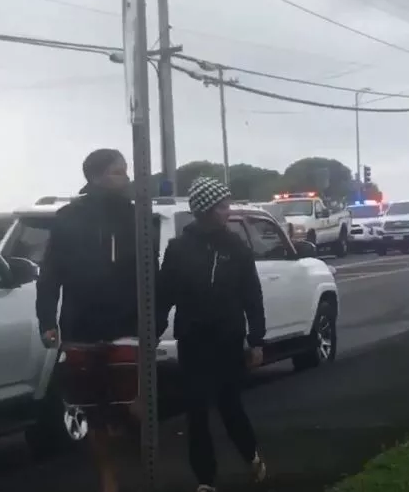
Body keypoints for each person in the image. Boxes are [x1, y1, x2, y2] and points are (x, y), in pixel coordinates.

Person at [36, 148, 162, 492]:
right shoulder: (67, 218)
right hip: (81, 327)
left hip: (128, 326)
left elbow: (152, 273)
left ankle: (146, 465)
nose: (126, 177)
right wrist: (46, 318)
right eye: (119, 172)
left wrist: (156, 322)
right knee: (92, 411)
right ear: (97, 177)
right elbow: (50, 273)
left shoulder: (138, 217)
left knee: (136, 403)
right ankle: (109, 481)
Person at [157, 176, 268, 492]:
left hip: (229, 340)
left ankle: (251, 455)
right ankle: (205, 480)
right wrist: (152, 333)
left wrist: (256, 340)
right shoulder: (178, 249)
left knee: (230, 405)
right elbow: (165, 295)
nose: (227, 211)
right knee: (196, 412)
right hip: (193, 340)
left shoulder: (236, 247)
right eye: (222, 206)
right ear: (205, 209)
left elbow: (252, 295)